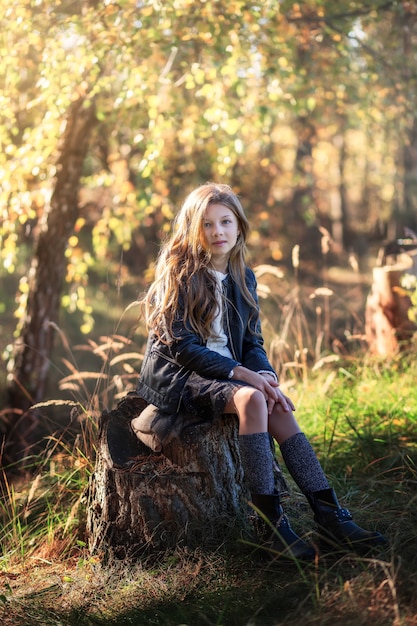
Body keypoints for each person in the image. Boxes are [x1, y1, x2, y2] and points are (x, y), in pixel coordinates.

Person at [136, 182, 386, 560]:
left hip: (229, 374)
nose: (217, 231)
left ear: (239, 227)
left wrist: (265, 374)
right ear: (192, 229)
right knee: (253, 399)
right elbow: (183, 348)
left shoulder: (242, 276)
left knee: (277, 403)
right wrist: (245, 376)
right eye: (206, 224)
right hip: (182, 376)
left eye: (225, 222)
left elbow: (253, 342)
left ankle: (331, 516)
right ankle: (270, 528)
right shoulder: (179, 276)